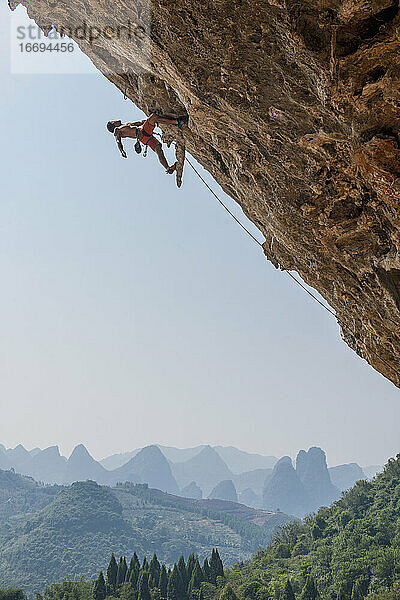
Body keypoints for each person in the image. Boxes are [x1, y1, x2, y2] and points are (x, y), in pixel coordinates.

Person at [107, 113, 188, 174]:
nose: (115, 120)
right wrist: (122, 150)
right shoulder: (117, 130)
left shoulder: (126, 125)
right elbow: (118, 140)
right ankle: (177, 121)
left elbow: (140, 122)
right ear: (113, 124)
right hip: (142, 133)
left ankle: (168, 168)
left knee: (158, 149)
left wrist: (147, 121)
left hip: (144, 138)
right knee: (153, 117)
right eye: (113, 121)